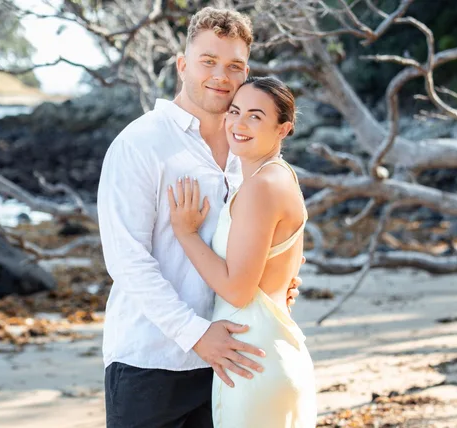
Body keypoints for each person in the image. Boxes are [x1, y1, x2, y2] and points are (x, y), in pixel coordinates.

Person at [96, 7, 304, 428]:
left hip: (232, 362)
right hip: (151, 363)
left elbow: (263, 234)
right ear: (182, 64)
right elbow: (126, 261)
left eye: (234, 66)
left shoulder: (246, 147)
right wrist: (195, 334)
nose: (221, 77)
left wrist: (276, 283)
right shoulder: (140, 144)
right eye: (208, 62)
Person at [168, 76, 316, 427]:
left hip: (251, 360)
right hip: (265, 349)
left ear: (283, 129)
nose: (239, 123)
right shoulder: (278, 178)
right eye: (235, 111)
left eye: (255, 116)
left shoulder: (262, 187)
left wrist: (186, 234)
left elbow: (238, 289)